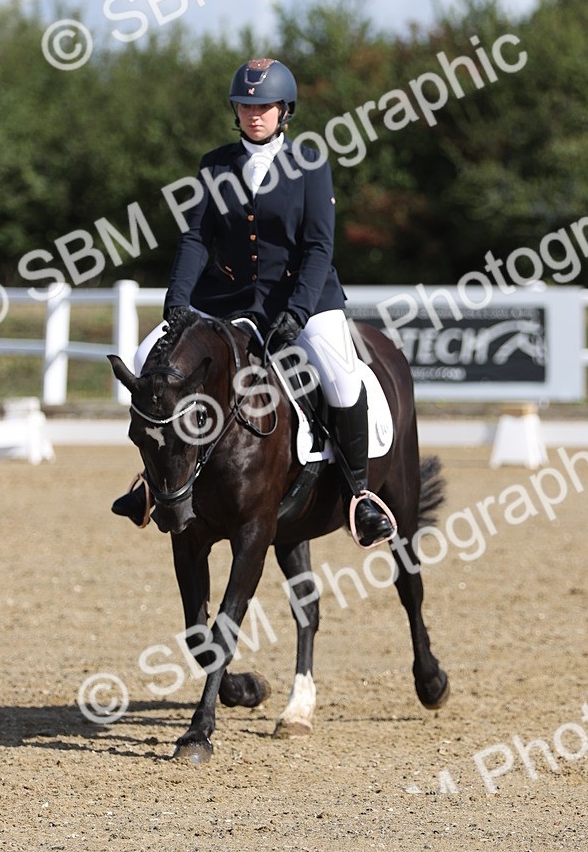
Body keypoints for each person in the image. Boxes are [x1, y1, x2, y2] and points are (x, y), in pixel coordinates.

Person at [112, 56, 396, 547]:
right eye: (245, 106)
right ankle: (153, 486)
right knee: (145, 357)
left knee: (342, 379)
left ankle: (360, 496)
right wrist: (177, 302)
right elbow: (196, 240)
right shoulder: (214, 164)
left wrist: (299, 312)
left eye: (264, 106)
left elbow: (318, 248)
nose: (254, 114)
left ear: (285, 110)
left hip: (301, 298)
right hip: (225, 299)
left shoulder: (311, 163)